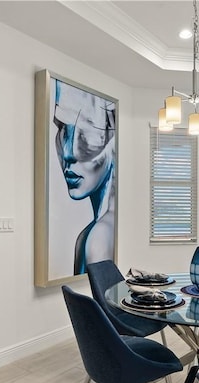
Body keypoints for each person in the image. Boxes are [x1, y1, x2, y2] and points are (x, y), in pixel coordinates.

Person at [53, 80, 116, 275]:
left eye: (88, 134)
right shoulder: (90, 235)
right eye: (63, 128)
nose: (68, 153)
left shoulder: (98, 238)